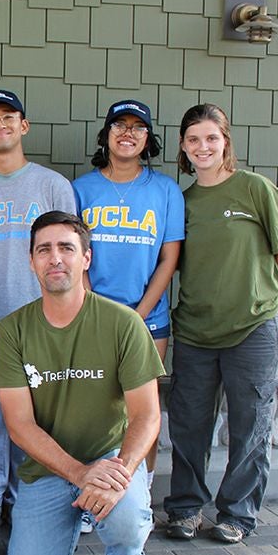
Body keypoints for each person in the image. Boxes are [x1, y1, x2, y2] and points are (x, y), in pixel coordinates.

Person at [0, 211, 164, 555]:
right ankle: (71, 521)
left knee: (125, 516)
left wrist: (119, 471)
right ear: (32, 261)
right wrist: (78, 474)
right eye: (44, 250)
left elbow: (146, 415)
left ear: (86, 258)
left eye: (66, 248)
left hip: (110, 458)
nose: (55, 258)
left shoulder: (123, 323)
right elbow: (19, 425)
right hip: (50, 466)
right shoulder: (11, 332)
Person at [164, 104, 278, 545]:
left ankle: (237, 514)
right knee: (189, 425)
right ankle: (185, 510)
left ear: (226, 141)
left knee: (251, 424)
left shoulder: (256, 190)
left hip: (253, 330)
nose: (203, 147)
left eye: (211, 138)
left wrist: (263, 296)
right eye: (193, 140)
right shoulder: (181, 203)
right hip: (196, 331)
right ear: (184, 148)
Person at [0, 89, 75, 542]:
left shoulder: (51, 186)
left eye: (9, 117)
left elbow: (75, 257)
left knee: (47, 421)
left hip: (47, 324)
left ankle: (31, 503)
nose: (0, 125)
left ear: (23, 126)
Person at [74, 99, 184, 509]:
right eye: (119, 125)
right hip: (93, 316)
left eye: (138, 127)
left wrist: (135, 317)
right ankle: (89, 494)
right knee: (93, 408)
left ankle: (139, 491)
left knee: (142, 412)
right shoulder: (82, 189)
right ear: (105, 136)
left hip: (148, 320)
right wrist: (94, 312)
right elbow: (76, 257)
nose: (127, 133)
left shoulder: (165, 191)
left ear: (148, 139)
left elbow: (169, 258)